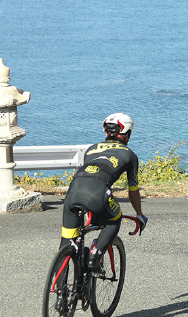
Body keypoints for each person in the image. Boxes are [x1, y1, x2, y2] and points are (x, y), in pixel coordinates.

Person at [60, 112, 147, 270]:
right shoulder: (130, 155)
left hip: (73, 191)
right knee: (115, 219)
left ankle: (60, 288)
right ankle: (95, 256)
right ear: (127, 134)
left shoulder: (91, 149)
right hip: (98, 193)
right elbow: (133, 189)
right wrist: (139, 214)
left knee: (68, 241)